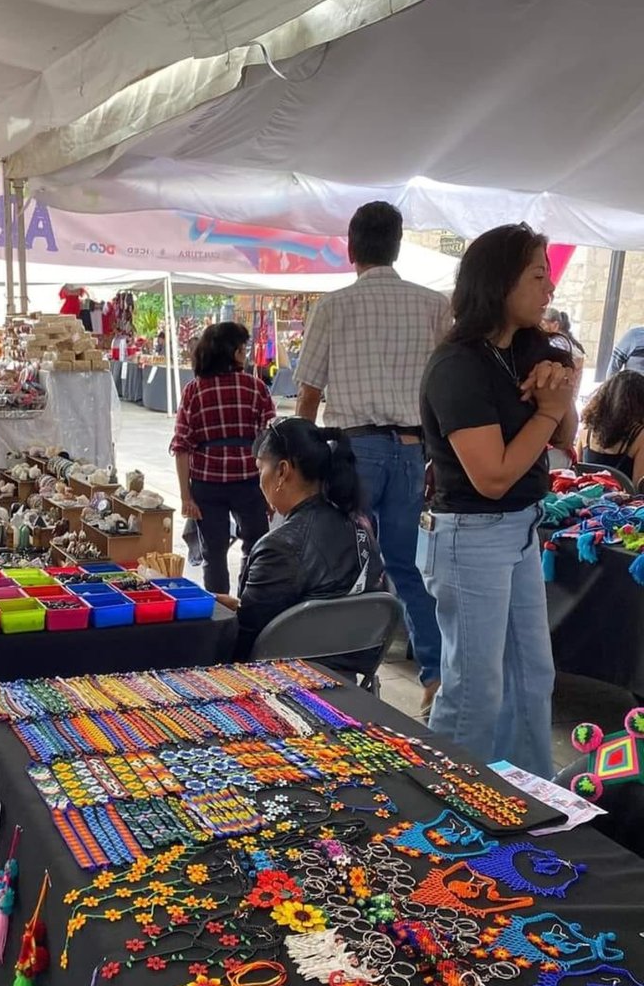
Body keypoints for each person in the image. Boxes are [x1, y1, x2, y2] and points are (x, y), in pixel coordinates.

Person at [419, 223, 578, 779]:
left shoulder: (525, 350)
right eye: (538, 275)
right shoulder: (458, 366)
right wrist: (549, 410)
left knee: (533, 675)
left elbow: (561, 437)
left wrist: (562, 390)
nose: (548, 288)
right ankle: (450, 800)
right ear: (500, 280)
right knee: (475, 687)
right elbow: (492, 476)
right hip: (471, 533)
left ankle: (524, 792)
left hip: (519, 529)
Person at [294, 201, 450, 719]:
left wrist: (302, 453)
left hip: (354, 450)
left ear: (351, 247)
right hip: (411, 449)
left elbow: (310, 395)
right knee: (405, 567)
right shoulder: (433, 305)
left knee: (343, 563)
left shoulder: (334, 306)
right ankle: (433, 677)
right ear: (398, 245)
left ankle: (338, 673)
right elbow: (443, 391)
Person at [220, 419, 386, 674]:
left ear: (283, 471)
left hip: (289, 680)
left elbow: (245, 643)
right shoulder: (361, 525)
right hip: (352, 674)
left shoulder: (280, 547)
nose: (259, 479)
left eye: (260, 467)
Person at [171, 322, 275, 594]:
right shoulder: (256, 388)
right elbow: (272, 443)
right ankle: (248, 602)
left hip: (207, 484)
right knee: (255, 546)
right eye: (244, 348)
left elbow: (181, 446)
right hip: (251, 483)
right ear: (236, 352)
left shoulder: (194, 391)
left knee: (213, 552)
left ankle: (220, 610)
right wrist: (273, 492)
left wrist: (186, 497)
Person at [578, 369, 644, 488]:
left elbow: (576, 471)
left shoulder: (586, 429)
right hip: (620, 504)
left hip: (583, 499)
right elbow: (638, 487)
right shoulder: (640, 436)